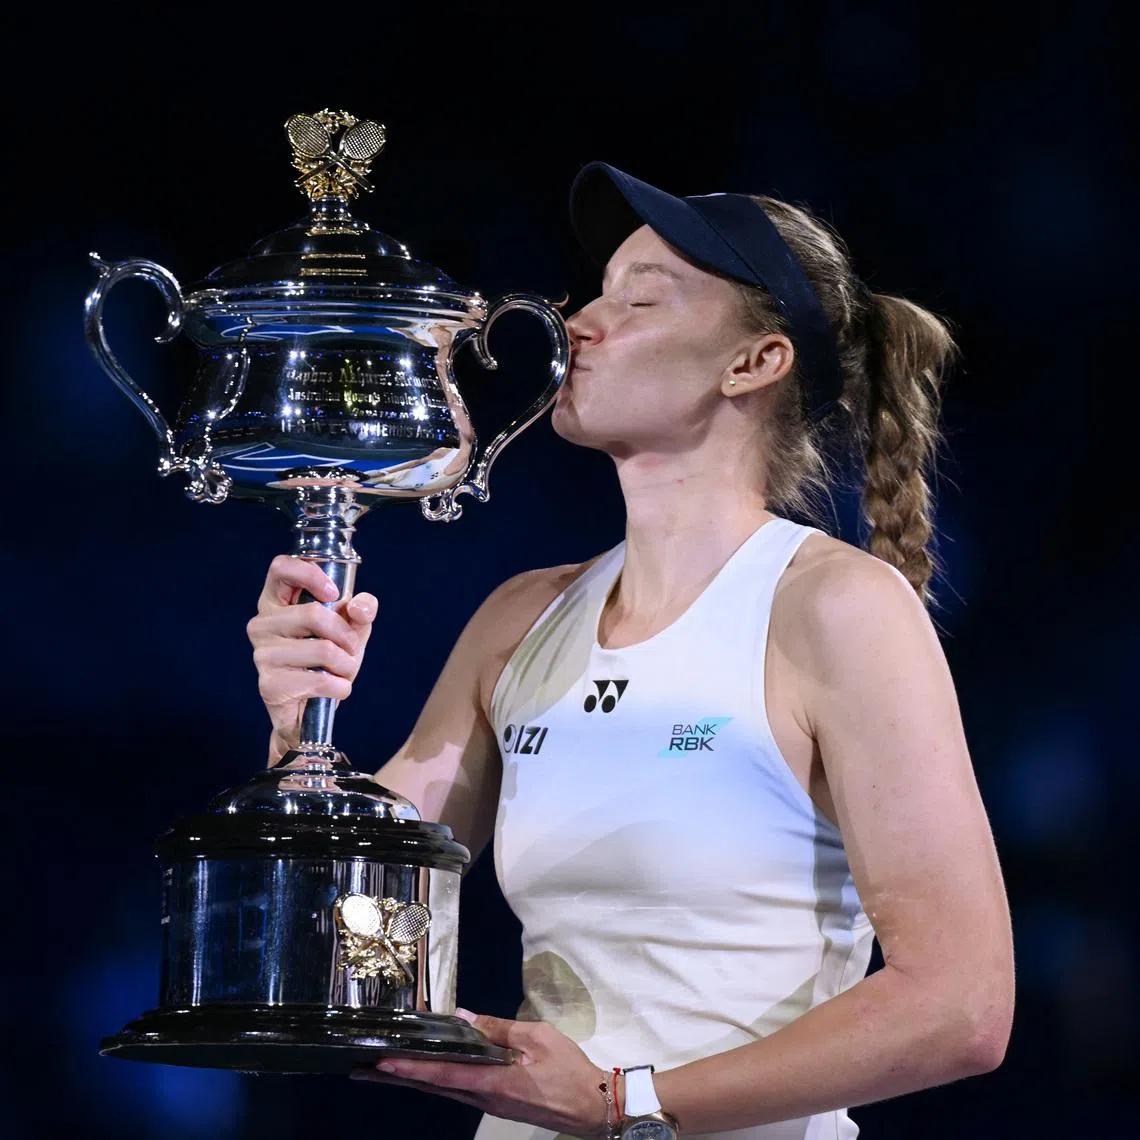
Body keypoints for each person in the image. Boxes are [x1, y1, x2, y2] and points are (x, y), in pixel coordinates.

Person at [247, 162, 1014, 1140]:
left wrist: (625, 1106)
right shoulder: (520, 619)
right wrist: (297, 739)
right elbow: (367, 957)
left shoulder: (837, 608)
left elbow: (963, 1004)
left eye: (639, 300)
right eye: (593, 295)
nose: (579, 326)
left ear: (754, 363)